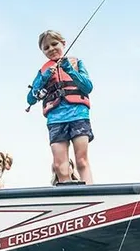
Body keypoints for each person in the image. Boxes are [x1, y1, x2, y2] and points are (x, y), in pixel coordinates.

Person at [27, 29, 94, 184]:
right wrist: (43, 79)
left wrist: (69, 69)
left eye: (54, 44)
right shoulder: (43, 71)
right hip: (55, 120)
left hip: (79, 116)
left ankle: (90, 191)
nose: (51, 49)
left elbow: (88, 87)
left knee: (82, 160)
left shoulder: (76, 63)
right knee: (59, 166)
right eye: (46, 47)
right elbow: (30, 99)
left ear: (63, 43)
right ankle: (67, 191)